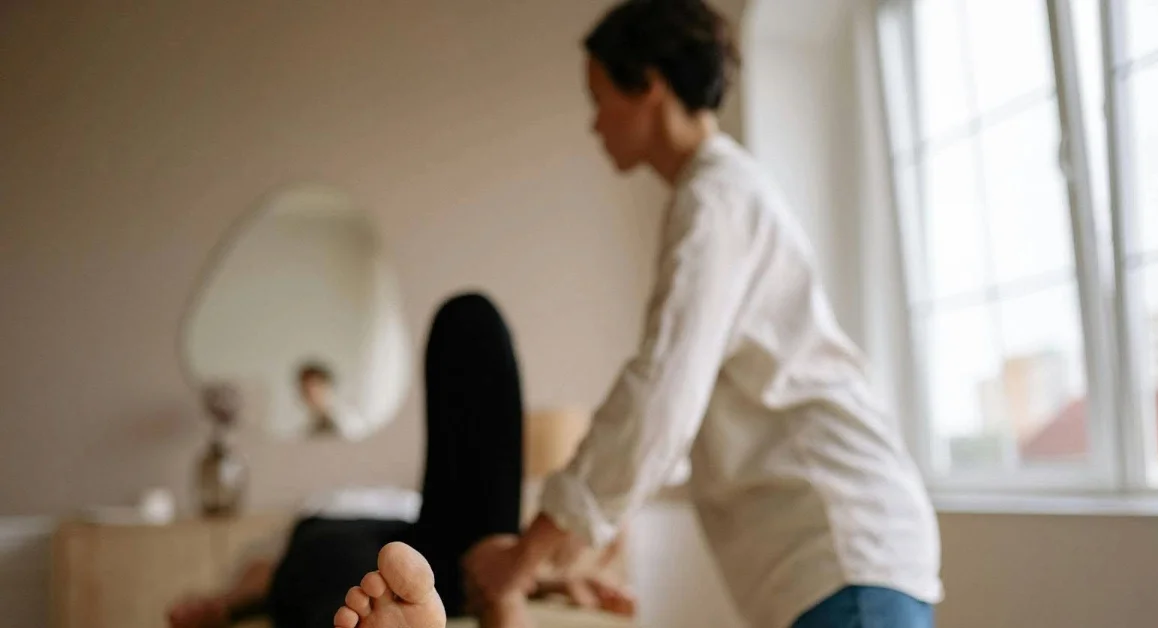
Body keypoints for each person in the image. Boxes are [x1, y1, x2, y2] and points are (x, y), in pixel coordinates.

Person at [458, 2, 944, 628]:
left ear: (650, 85)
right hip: (842, 558)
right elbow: (679, 424)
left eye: (600, 98)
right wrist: (574, 550)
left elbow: (658, 396)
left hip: (844, 548)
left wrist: (525, 557)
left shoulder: (716, 201)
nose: (595, 123)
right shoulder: (719, 196)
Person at [169, 293, 633, 628]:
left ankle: (499, 592)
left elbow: (266, 574)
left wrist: (540, 577)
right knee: (341, 569)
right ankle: (476, 600)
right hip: (349, 543)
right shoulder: (317, 513)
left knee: (468, 316)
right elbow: (263, 572)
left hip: (451, 549)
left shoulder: (354, 438)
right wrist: (227, 602)